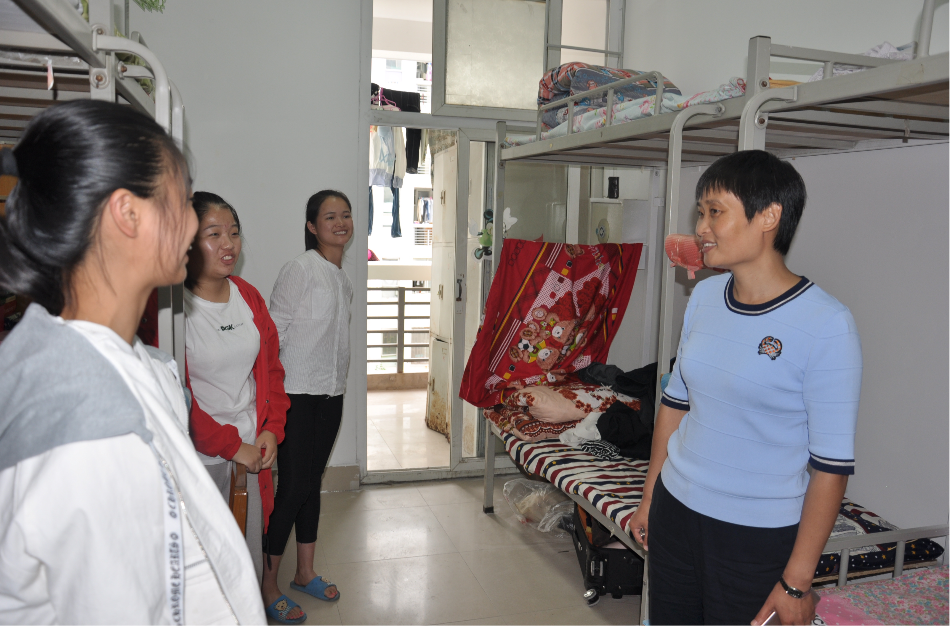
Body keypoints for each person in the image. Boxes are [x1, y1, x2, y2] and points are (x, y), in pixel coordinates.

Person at [0, 100, 265, 624]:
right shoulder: (90, 424)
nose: (192, 225)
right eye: (183, 202)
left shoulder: (107, 358)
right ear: (127, 214)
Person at [627, 150, 862, 626]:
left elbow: (831, 468)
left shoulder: (826, 324)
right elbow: (675, 403)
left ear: (769, 216)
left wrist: (796, 582)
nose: (701, 228)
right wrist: (650, 497)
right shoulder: (705, 296)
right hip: (676, 509)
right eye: (700, 212)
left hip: (755, 534)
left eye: (715, 212)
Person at [182, 192, 295, 621]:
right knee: (204, 566)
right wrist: (232, 447)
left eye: (233, 232)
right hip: (201, 459)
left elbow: (272, 372)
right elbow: (176, 397)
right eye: (213, 234)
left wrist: (270, 429)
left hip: (252, 451)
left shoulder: (247, 296)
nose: (228, 244)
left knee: (243, 558)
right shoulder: (172, 308)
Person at [262, 190, 353, 619]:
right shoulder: (300, 269)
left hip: (331, 394)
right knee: (293, 487)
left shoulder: (342, 279)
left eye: (345, 215)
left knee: (311, 483)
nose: (340, 223)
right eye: (330, 216)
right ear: (312, 226)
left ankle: (304, 573)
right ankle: (267, 585)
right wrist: (270, 397)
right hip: (296, 394)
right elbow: (272, 334)